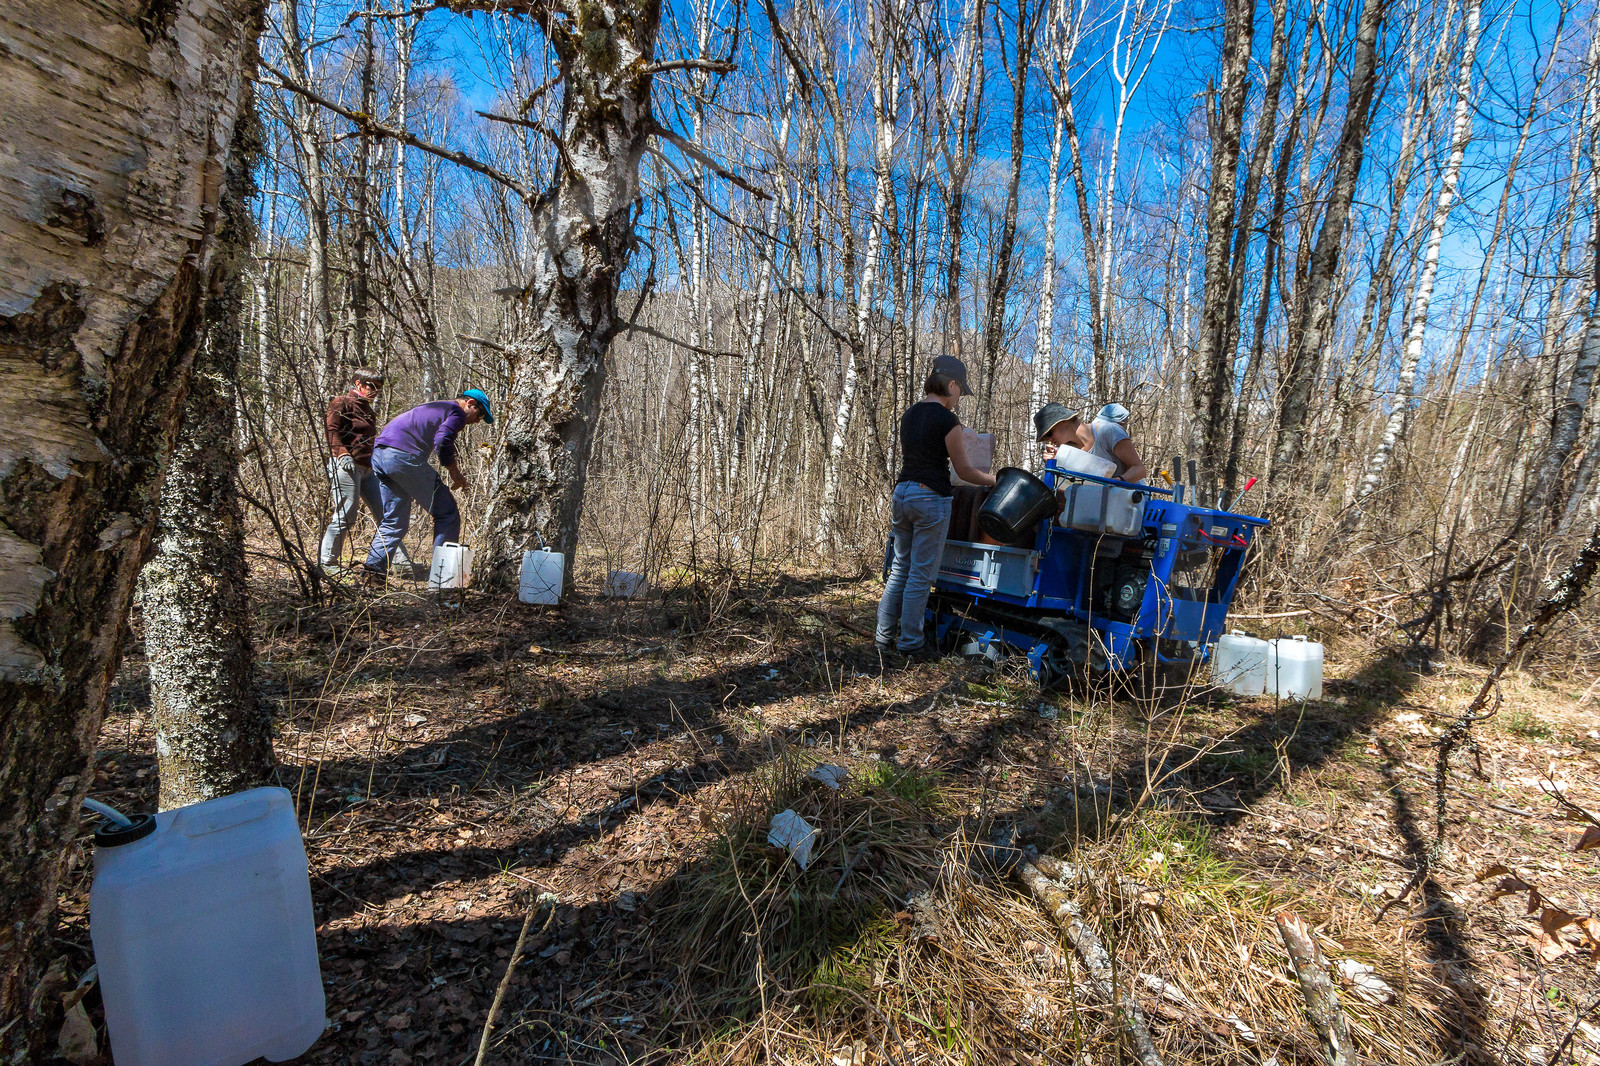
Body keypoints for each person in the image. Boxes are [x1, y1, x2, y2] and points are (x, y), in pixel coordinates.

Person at [876, 355, 997, 659]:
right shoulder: (947, 420)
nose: (959, 398)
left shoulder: (910, 414)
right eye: (960, 390)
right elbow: (965, 472)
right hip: (930, 498)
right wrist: (994, 480)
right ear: (952, 384)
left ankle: (882, 638)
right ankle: (911, 644)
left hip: (902, 493)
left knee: (899, 570)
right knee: (920, 575)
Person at [364, 389, 493, 575]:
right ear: (470, 403)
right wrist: (455, 473)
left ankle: (372, 573)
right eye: (480, 413)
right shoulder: (455, 411)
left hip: (380, 455)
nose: (478, 420)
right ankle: (443, 576)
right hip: (402, 457)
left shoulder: (435, 407)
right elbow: (443, 439)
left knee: (394, 520)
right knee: (447, 512)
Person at [319, 368, 412, 571]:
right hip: (345, 466)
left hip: (368, 469)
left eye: (378, 389)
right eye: (371, 386)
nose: (375, 391)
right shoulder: (341, 402)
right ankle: (327, 562)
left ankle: (399, 562)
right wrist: (342, 454)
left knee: (387, 514)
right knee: (346, 514)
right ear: (358, 383)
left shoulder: (368, 410)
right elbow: (332, 431)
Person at [1087, 402, 1149, 483]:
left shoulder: (1114, 432)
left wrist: (1118, 480)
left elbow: (1140, 470)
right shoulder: (1094, 432)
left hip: (1128, 491)